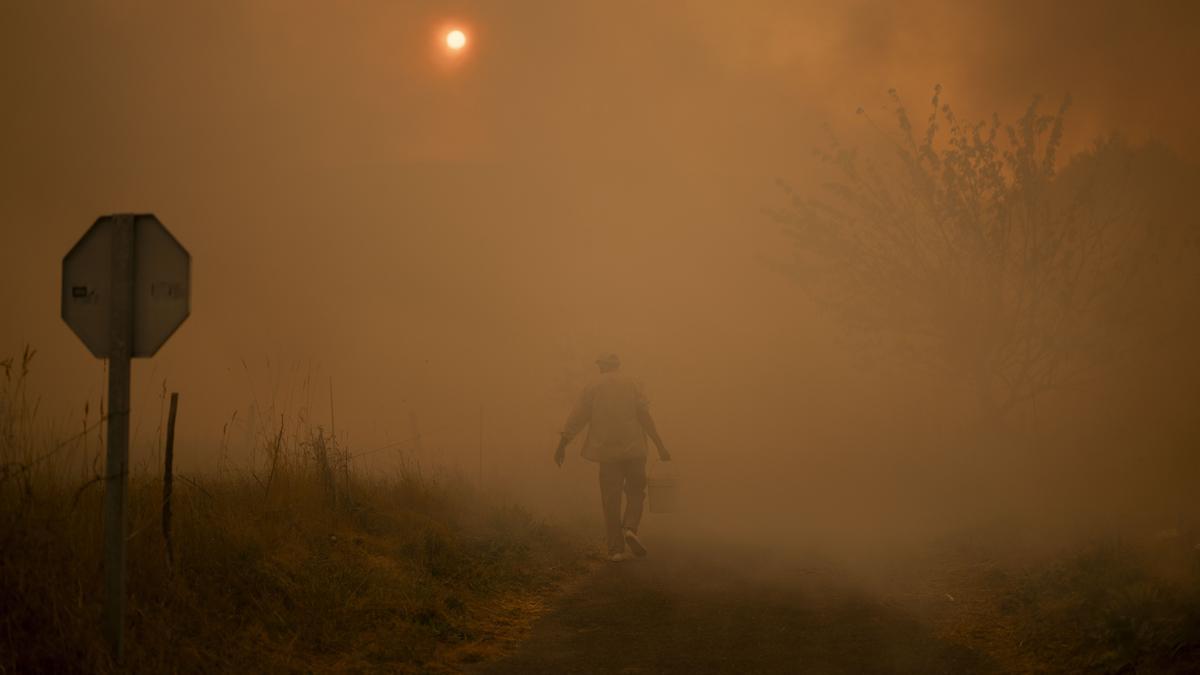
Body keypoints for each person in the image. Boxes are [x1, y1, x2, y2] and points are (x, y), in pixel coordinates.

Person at [554, 353, 670, 562]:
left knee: (611, 499)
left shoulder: (592, 387)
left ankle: (615, 549)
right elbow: (645, 416)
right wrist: (660, 445)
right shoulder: (633, 384)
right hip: (635, 450)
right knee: (636, 491)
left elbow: (577, 417)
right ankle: (630, 527)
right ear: (618, 366)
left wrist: (563, 444)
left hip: (607, 453)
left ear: (601, 367)